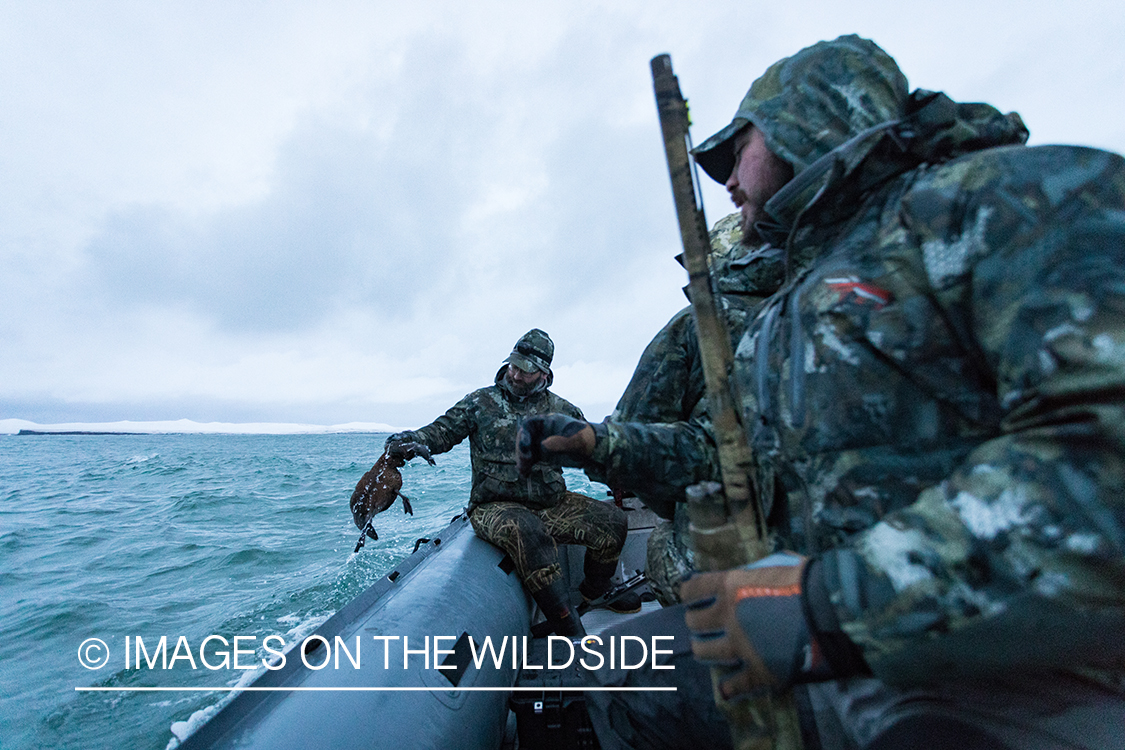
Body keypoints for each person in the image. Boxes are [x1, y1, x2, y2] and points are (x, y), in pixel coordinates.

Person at [519, 34, 1125, 748]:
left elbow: (1102, 461)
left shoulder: (1020, 199)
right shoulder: (801, 299)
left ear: (806, 122)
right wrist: (597, 444)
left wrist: (828, 606)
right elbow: (734, 458)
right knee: (604, 681)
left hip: (1012, 675)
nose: (724, 182)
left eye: (736, 149)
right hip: (839, 648)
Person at [385, 328, 637, 638]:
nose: (516, 375)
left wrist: (621, 464)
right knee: (526, 530)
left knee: (613, 522)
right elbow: (440, 432)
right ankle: (569, 629)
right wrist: (412, 441)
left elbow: (592, 455)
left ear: (544, 373)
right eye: (514, 365)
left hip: (551, 504)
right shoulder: (480, 402)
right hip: (493, 507)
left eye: (526, 370)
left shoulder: (563, 411)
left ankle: (594, 592)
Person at [594, 212, 785, 605]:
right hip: (824, 554)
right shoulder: (820, 305)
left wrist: (672, 507)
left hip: (729, 553)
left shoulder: (691, 327)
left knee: (665, 539)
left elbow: (630, 446)